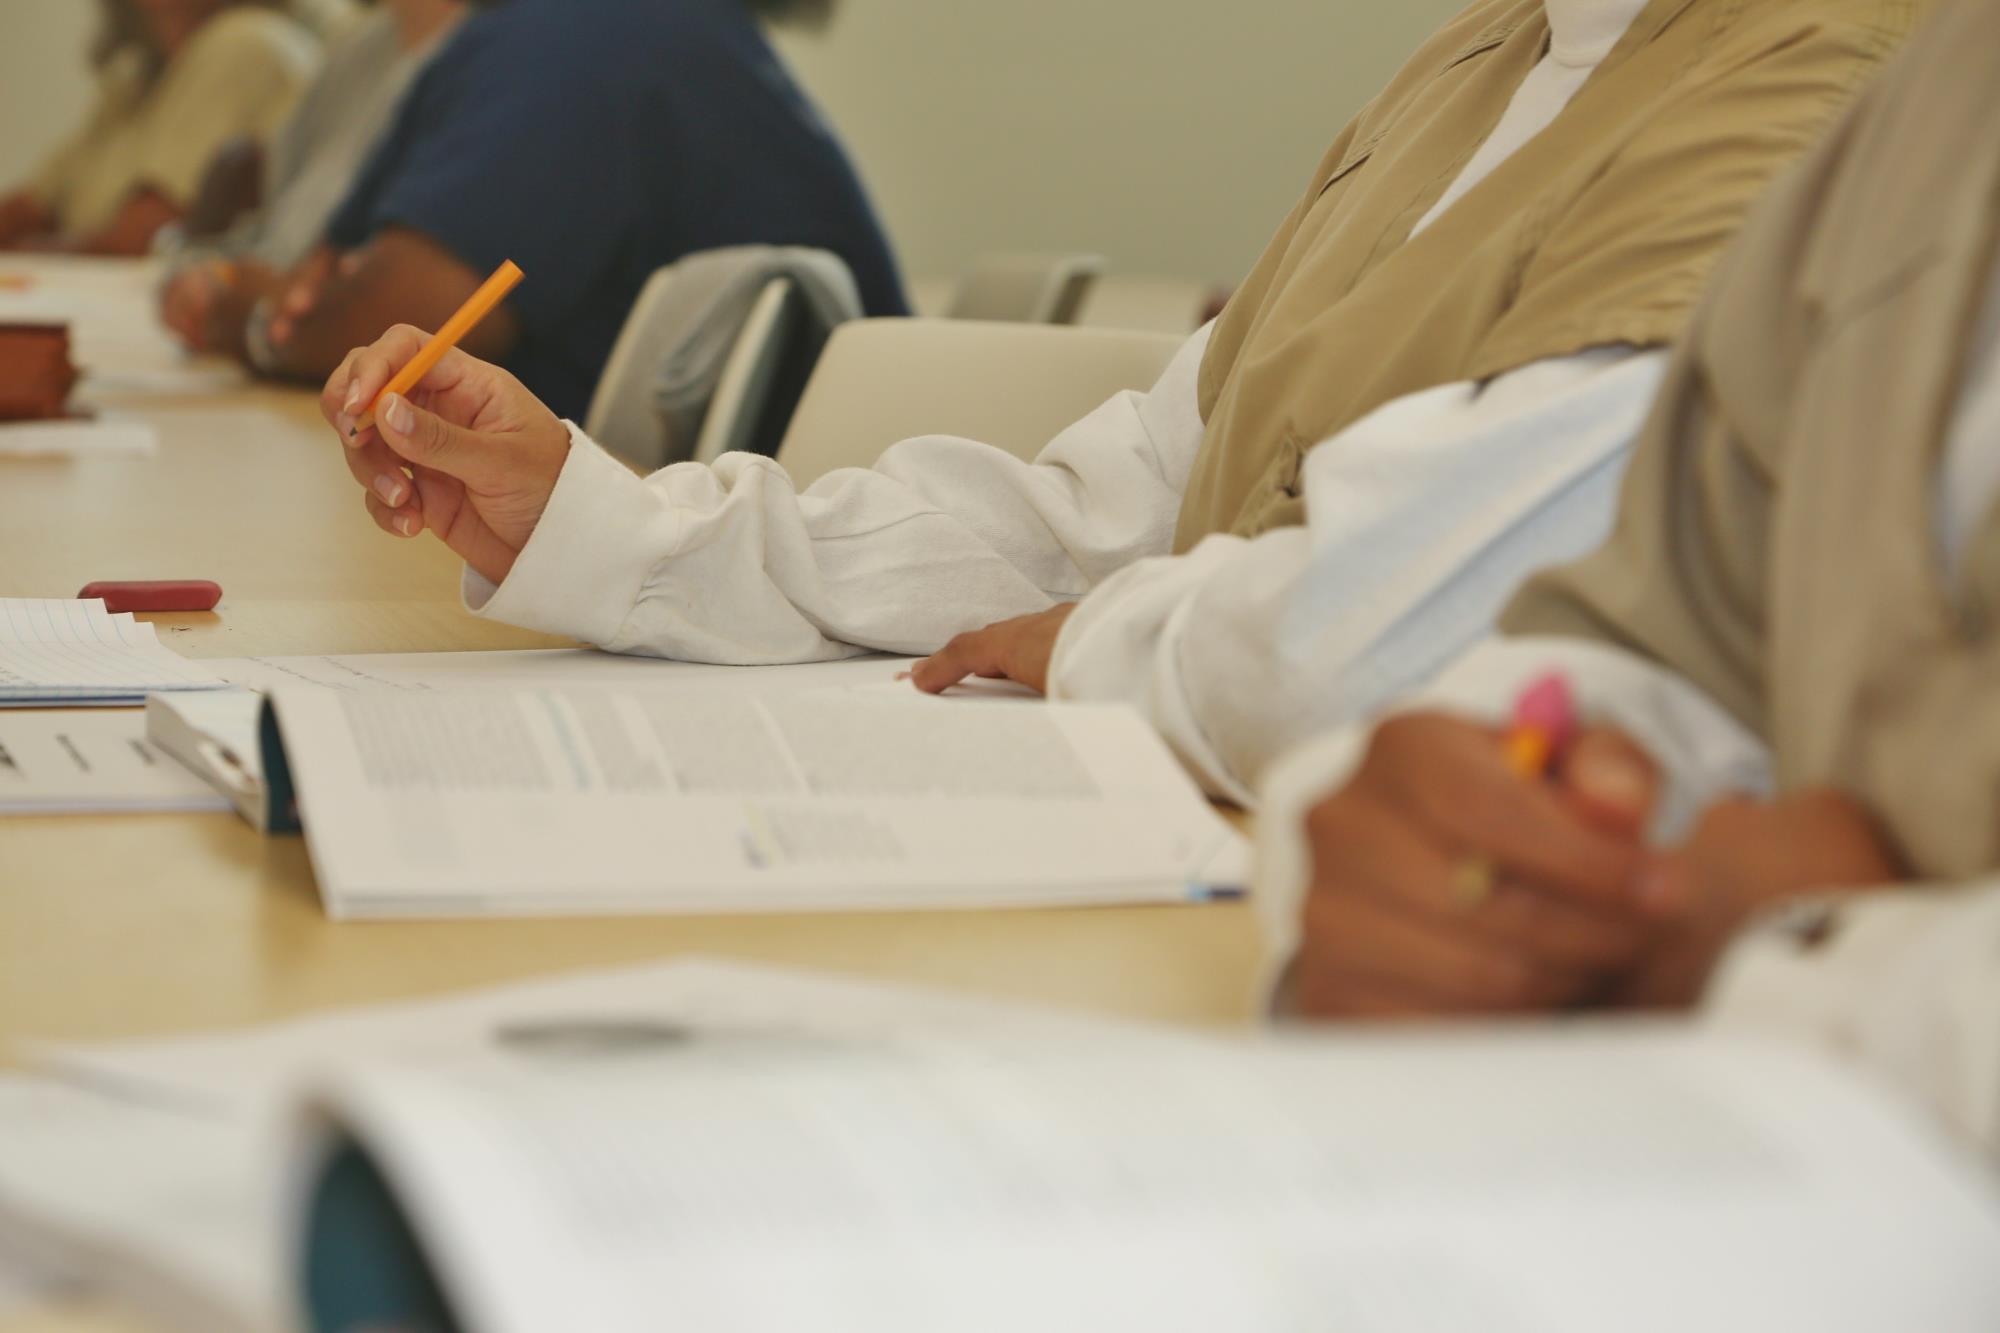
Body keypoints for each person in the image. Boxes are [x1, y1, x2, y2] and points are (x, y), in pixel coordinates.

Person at [320, 0, 1922, 803]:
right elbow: (1115, 500)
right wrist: (604, 518)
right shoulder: (1483, 60)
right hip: (1193, 844)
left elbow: (1455, 627)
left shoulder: (1824, 75)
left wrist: (1104, 638)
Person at [1253, 0, 2000, 1153]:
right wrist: (1429, 831)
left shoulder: (1823, 55)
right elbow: (1666, 639)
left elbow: (1364, 632)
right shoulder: (1941, 95)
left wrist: (1754, 960)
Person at [247, 0, 907, 423]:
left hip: (781, 554)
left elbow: (384, 322)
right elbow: (325, 270)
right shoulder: (513, 39)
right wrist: (298, 308)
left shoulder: (580, 35)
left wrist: (246, 323)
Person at [158, 0, 470, 359]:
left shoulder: (498, 56)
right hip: (273, 363)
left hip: (341, 371)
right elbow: (278, 228)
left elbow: (403, 304)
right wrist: (215, 272)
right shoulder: (362, 44)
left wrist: (261, 308)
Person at [0, 0, 322, 256]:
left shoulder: (247, 40)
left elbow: (143, 236)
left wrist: (25, 252)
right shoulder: (137, 74)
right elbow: (34, 202)